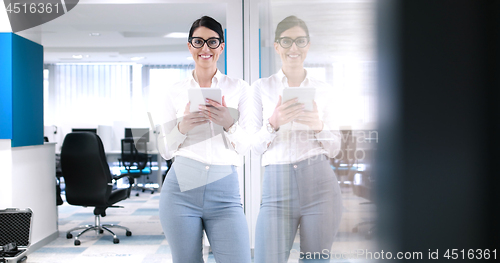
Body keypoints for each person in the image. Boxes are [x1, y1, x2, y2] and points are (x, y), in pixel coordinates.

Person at [155, 16, 252, 263]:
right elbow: (165, 150)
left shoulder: (239, 88)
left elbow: (247, 145)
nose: (205, 48)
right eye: (198, 42)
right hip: (180, 190)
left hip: (225, 191)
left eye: (212, 42)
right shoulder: (174, 91)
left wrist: (228, 124)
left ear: (221, 46)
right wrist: (182, 125)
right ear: (190, 46)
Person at [252, 16, 343, 262]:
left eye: (300, 41)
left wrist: (318, 126)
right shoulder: (261, 88)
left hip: (320, 185)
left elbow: (334, 148)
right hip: (277, 187)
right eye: (287, 41)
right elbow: (253, 146)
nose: (294, 48)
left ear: (308, 45)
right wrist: (273, 123)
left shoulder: (325, 90)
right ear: (276, 46)